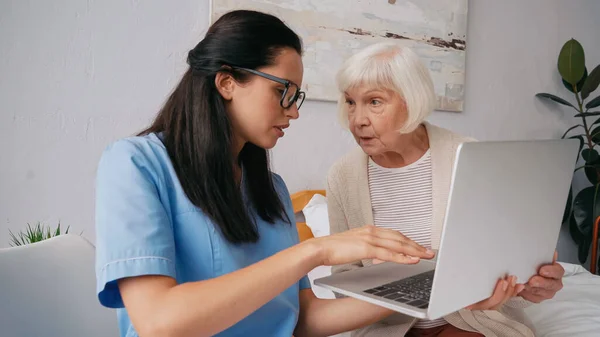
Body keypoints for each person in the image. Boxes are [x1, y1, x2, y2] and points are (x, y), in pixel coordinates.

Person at [94, 10, 436, 337]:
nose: (293, 111)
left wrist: (422, 289)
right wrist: (315, 251)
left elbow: (303, 320)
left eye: (295, 96)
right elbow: (159, 322)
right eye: (281, 91)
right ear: (227, 82)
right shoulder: (135, 165)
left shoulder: (269, 189)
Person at [326, 42, 565, 337]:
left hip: (468, 320)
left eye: (374, 102)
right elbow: (343, 279)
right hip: (389, 327)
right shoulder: (342, 177)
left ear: (411, 101)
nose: (358, 120)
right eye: (351, 102)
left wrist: (531, 284)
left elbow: (500, 260)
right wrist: (391, 288)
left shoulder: (469, 156)